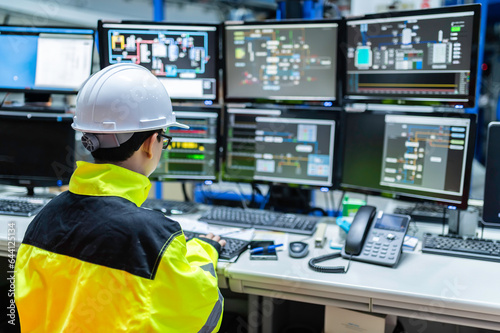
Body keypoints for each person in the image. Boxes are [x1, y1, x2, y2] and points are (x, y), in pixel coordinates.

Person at [14, 63, 226, 332]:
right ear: (151, 143)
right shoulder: (155, 237)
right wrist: (205, 250)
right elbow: (207, 315)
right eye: (164, 138)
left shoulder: (43, 220)